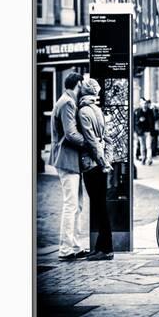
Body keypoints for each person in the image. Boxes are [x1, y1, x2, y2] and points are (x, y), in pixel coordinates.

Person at [49, 72, 89, 261]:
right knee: (71, 204)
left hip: (70, 160)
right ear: (78, 84)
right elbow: (71, 134)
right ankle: (66, 249)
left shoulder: (66, 100)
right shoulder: (67, 103)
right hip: (66, 159)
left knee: (77, 205)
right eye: (82, 85)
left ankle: (75, 246)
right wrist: (89, 142)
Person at [78, 78, 114, 261]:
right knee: (101, 205)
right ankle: (101, 246)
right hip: (100, 164)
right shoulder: (97, 110)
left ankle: (106, 249)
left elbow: (91, 141)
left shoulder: (84, 111)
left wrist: (101, 161)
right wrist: (107, 159)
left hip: (92, 165)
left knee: (99, 206)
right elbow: (107, 138)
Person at [134, 97, 155, 165]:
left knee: (148, 146)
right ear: (141, 105)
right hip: (141, 132)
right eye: (143, 104)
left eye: (145, 104)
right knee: (142, 146)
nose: (144, 105)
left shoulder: (150, 111)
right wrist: (140, 121)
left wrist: (152, 131)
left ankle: (149, 159)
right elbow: (136, 122)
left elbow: (152, 122)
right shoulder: (139, 112)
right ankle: (143, 159)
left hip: (148, 131)